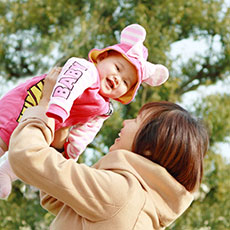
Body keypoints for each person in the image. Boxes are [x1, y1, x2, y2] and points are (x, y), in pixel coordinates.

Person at [7, 68, 209, 229]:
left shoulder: (121, 194)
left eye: (137, 120)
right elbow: (57, 195)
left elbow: (26, 155)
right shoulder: (140, 201)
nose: (126, 122)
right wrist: (60, 142)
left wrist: (47, 104)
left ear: (149, 147)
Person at [0, 23, 169, 199]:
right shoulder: (85, 70)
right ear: (101, 58)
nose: (118, 79)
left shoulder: (103, 108)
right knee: (5, 134)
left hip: (50, 122)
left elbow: (85, 134)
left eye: (126, 82)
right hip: (27, 102)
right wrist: (59, 106)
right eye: (118, 68)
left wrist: (68, 156)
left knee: (28, 151)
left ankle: (6, 173)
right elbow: (68, 85)